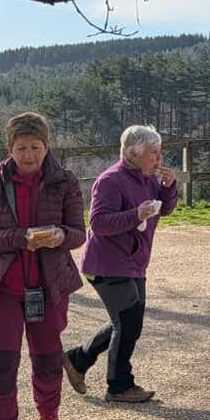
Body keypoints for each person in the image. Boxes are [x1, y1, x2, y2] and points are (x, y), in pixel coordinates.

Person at [0, 111, 86, 420]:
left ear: (46, 146)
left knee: (48, 357)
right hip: (3, 287)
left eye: (35, 147)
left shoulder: (65, 181)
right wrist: (21, 238)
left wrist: (60, 236)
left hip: (49, 285)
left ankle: (49, 415)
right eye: (21, 148)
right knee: (1, 365)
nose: (29, 155)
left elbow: (79, 233)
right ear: (10, 149)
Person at [66, 124, 178, 403]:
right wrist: (135, 215)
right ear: (133, 153)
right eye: (153, 152)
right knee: (128, 322)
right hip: (107, 263)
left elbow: (165, 209)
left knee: (128, 322)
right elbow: (99, 223)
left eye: (159, 151)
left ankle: (79, 359)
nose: (159, 158)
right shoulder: (110, 180)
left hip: (134, 262)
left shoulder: (149, 179)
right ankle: (118, 385)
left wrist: (169, 188)